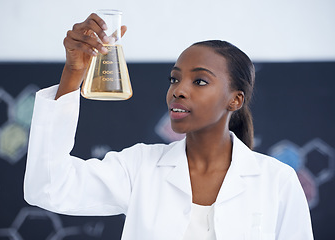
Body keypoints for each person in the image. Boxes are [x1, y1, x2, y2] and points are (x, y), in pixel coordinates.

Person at [23, 13, 313, 240]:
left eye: (199, 81)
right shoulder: (140, 168)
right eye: (175, 79)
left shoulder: (277, 182)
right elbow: (48, 187)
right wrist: (74, 73)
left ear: (235, 100)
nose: (179, 90)